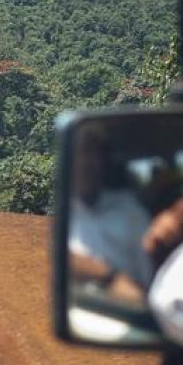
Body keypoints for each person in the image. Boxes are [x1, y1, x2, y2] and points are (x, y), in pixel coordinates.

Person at [69, 126, 154, 304]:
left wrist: (102, 273)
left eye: (92, 153)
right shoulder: (68, 214)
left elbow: (149, 295)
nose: (85, 162)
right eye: (79, 152)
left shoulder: (130, 213)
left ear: (104, 162)